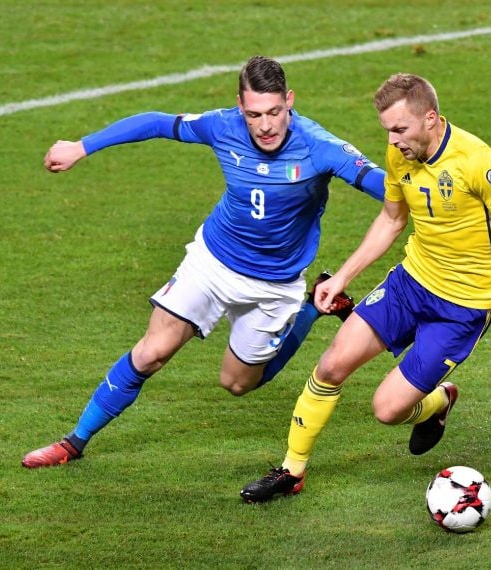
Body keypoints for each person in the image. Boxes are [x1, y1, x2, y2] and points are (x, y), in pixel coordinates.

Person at [21, 55, 385, 469]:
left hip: (274, 284)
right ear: (239, 106)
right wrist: (82, 146)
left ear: (289, 101)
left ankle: (310, 309)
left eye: (274, 112)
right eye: (254, 115)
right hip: (213, 262)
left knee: (237, 384)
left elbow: (387, 189)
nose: (265, 126)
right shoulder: (222, 125)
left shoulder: (320, 147)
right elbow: (157, 122)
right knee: (152, 352)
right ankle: (73, 442)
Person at [240, 72, 491, 503]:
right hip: (411, 282)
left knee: (387, 410)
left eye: (400, 129)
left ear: (430, 118)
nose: (393, 141)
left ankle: (438, 403)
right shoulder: (401, 153)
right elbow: (392, 219)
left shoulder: (477, 161)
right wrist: (342, 277)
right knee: (331, 365)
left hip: (463, 305)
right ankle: (292, 470)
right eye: (387, 131)